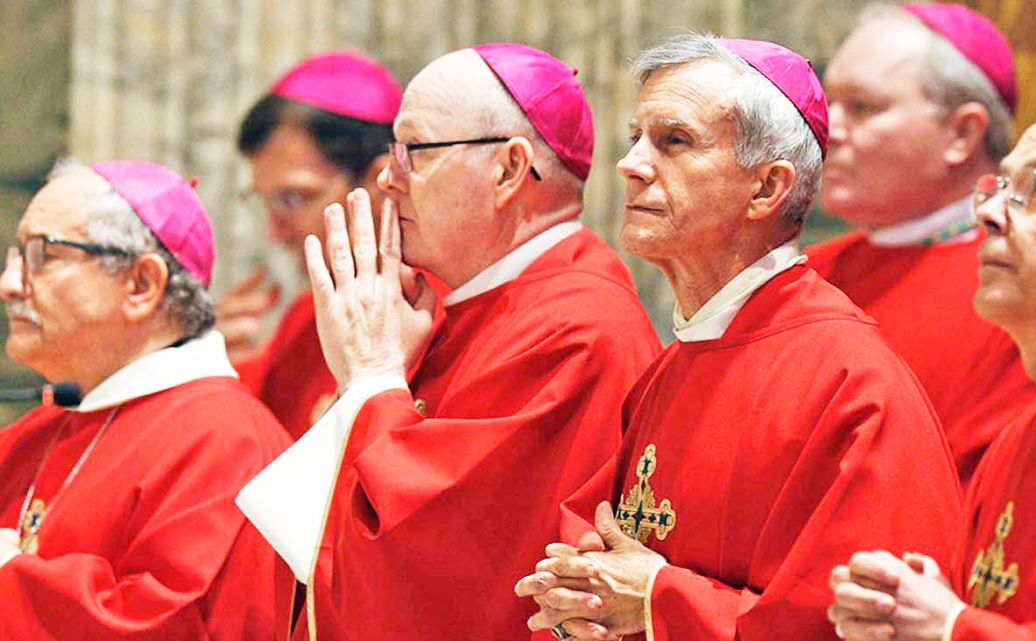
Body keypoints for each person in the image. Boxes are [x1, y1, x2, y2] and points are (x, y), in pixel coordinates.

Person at [514, 34, 962, 641]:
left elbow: (866, 628)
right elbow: (598, 538)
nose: (631, 164)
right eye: (637, 137)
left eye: (674, 141)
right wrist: (579, 597)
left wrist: (659, 601)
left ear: (766, 189)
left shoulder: (852, 386)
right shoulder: (678, 362)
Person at [240, 43, 661, 640]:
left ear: (509, 170)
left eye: (413, 151)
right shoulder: (455, 307)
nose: (388, 178)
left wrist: (372, 379)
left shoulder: (575, 330)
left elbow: (437, 568)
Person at [828, 108, 1036, 641]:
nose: (989, 214)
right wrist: (916, 603)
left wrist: (949, 625)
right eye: (999, 188)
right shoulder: (1022, 435)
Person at [0, 159, 291, 639]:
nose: (9, 283)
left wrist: (11, 579)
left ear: (141, 285)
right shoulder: (42, 431)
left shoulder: (225, 441)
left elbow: (169, 626)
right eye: (16, 256)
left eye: (43, 255)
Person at [808, 2, 1036, 485]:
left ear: (962, 133)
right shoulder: (807, 275)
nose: (828, 131)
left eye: (862, 107)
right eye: (830, 104)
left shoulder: (1029, 287)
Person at [225, 51, 402, 439]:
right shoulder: (305, 318)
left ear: (379, 181)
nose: (274, 231)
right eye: (265, 201)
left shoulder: (439, 310)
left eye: (294, 198)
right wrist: (211, 365)